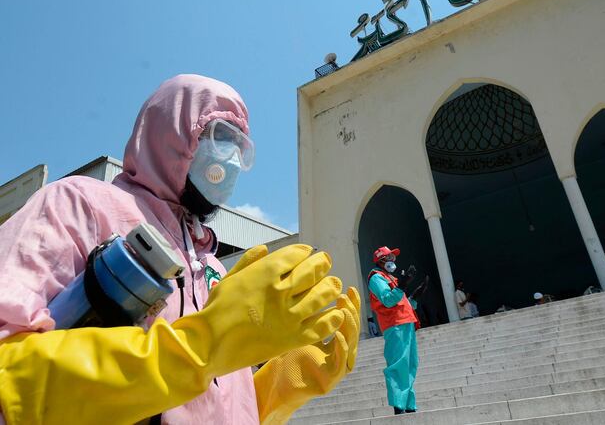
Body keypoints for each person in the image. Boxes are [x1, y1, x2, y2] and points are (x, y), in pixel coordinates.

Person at [0, 75, 360, 424]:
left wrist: (284, 382)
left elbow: (203, 405)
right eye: (220, 136)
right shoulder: (80, 205)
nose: (232, 159)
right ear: (168, 132)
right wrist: (202, 345)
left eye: (240, 145)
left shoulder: (210, 267)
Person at [367, 246, 420, 415]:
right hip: (395, 325)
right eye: (389, 257)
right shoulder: (376, 278)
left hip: (406, 323)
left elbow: (403, 303)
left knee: (411, 364)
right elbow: (388, 301)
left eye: (393, 257)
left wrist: (415, 298)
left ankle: (409, 405)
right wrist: (401, 286)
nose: (392, 260)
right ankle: (399, 406)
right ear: (381, 260)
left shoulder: (390, 278)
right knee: (398, 364)